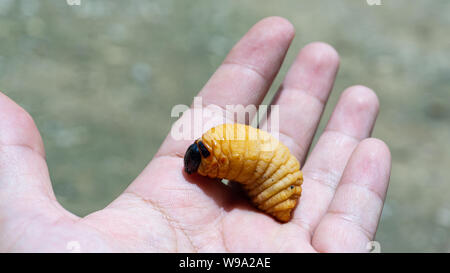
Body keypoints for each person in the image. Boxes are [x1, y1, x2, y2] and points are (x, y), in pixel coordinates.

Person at [0, 17, 390, 252]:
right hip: (273, 186)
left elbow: (262, 167)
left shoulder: (251, 169)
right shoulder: (231, 155)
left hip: (277, 189)